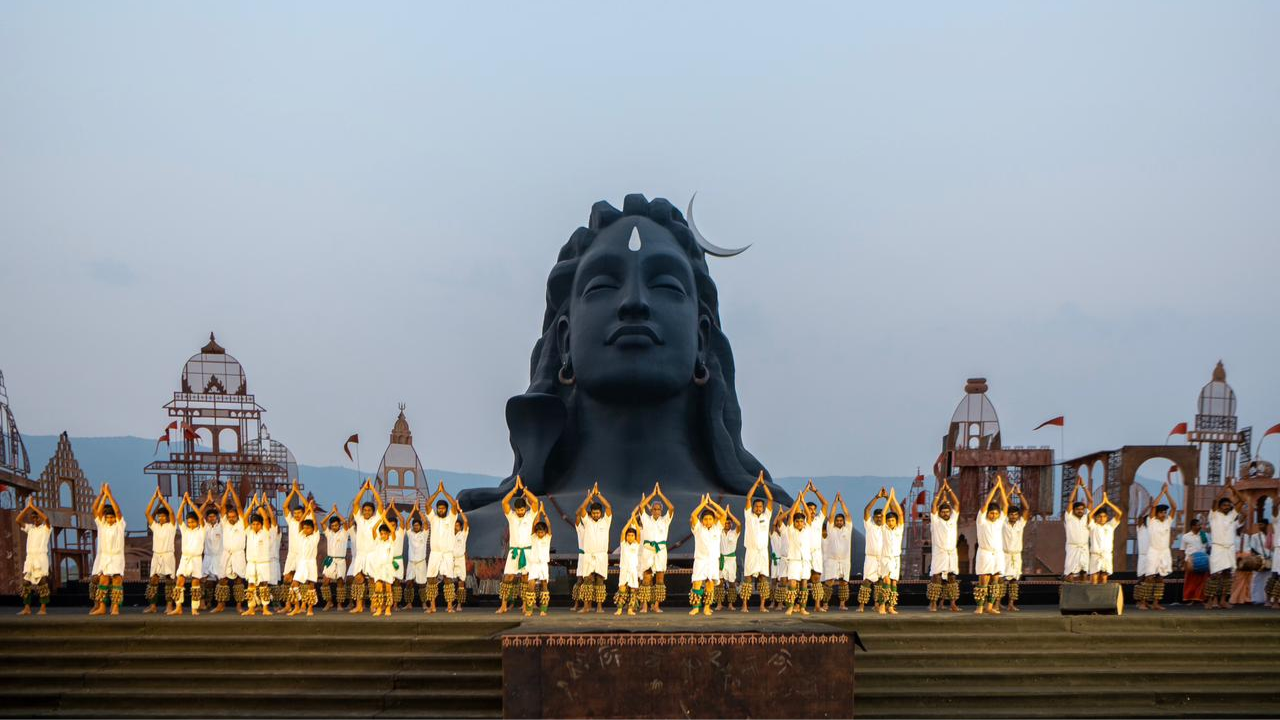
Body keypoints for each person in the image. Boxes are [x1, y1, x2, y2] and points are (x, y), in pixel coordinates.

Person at [497, 478, 540, 615]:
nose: (520, 512)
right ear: (515, 509)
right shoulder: (512, 516)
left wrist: (524, 490)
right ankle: (503, 605)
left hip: (527, 552)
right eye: (518, 510)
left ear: (525, 508)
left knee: (526, 579)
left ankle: (527, 606)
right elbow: (504, 502)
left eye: (522, 509)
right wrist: (515, 490)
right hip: (514, 552)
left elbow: (536, 502)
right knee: (508, 578)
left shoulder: (530, 516)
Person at [89, 483, 127, 616]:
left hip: (116, 556)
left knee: (117, 580)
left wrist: (110, 495)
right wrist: (102, 495)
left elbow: (117, 511)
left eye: (112, 517)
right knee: (103, 580)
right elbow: (95, 510)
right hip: (105, 557)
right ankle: (102, 607)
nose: (110, 519)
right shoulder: (102, 525)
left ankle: (115, 607)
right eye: (108, 517)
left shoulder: (120, 525)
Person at [575, 483, 613, 614]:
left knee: (600, 583)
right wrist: (590, 495)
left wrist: (599, 495)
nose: (596, 514)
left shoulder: (605, 521)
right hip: (588, 555)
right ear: (591, 513)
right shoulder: (587, 521)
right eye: (594, 513)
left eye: (598, 513)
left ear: (600, 513)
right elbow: (582, 509)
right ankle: (586, 607)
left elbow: (608, 507)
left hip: (601, 556)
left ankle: (599, 608)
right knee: (587, 582)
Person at [347, 479, 384, 614]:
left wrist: (372, 489)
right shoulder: (360, 519)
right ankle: (359, 606)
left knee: (373, 581)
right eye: (365, 510)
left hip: (373, 553)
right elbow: (356, 503)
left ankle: (374, 604)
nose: (366, 511)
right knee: (358, 578)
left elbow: (380, 503)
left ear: (373, 512)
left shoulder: (376, 519)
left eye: (369, 510)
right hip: (361, 554)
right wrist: (364, 489)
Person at [422, 483, 460, 613]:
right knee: (431, 579)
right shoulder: (433, 518)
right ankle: (432, 606)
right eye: (439, 508)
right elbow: (427, 505)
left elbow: (454, 505)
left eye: (443, 508)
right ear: (437, 509)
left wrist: (444, 492)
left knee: (448, 579)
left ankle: (449, 606)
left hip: (448, 553)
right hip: (435, 553)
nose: (441, 510)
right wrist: (437, 492)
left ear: (446, 509)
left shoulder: (451, 518)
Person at [973, 478, 1008, 615]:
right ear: (988, 513)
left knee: (995, 579)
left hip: (997, 554)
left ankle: (989, 606)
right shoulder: (982, 521)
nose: (993, 515)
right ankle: (979, 607)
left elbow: (1005, 506)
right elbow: (985, 504)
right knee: (984, 579)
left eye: (996, 513)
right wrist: (995, 488)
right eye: (991, 513)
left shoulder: (999, 521)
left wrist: (1002, 489)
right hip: (985, 553)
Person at [739, 473, 773, 613]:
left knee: (763, 579)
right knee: (747, 579)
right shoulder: (749, 516)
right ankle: (744, 606)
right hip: (751, 551)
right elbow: (748, 497)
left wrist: (763, 484)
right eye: (756, 506)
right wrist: (756, 484)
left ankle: (762, 606)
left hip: (763, 552)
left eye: (760, 506)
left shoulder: (766, 516)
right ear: (753, 508)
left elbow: (770, 499)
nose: (759, 508)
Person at [1206, 485, 1244, 610]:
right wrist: (1225, 488)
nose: (1227, 507)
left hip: (1229, 548)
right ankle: (1212, 600)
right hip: (1217, 548)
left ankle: (1223, 600)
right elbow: (1215, 500)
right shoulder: (1214, 515)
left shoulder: (1232, 515)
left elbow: (1242, 501)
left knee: (1227, 574)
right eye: (1224, 505)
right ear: (1220, 507)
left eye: (1228, 505)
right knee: (1215, 575)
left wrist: (1233, 489)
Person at [638, 482, 674, 613]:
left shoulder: (665, 520)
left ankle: (656, 606)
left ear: (661, 511)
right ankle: (645, 606)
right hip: (648, 549)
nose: (657, 511)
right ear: (651, 510)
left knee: (660, 578)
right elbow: (641, 506)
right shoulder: (646, 519)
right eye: (654, 509)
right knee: (647, 578)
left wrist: (661, 494)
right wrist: (653, 494)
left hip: (660, 550)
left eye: (659, 509)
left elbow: (672, 508)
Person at [169, 492, 207, 616]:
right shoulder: (185, 530)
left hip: (196, 559)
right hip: (185, 559)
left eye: (192, 522)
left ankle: (194, 608)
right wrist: (183, 503)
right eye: (189, 522)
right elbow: (179, 517)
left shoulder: (201, 530)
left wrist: (190, 503)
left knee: (195, 584)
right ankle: (178, 607)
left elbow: (201, 517)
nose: (190, 524)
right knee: (179, 582)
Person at [689, 494, 727, 617]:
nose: (708, 521)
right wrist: (703, 505)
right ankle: (695, 607)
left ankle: (707, 607)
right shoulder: (698, 528)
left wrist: (712, 503)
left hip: (712, 561)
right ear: (702, 520)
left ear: (713, 520)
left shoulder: (717, 528)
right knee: (697, 583)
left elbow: (724, 515)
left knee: (710, 584)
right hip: (700, 560)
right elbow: (693, 515)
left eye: (710, 519)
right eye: (705, 519)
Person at [1140, 485, 1177, 611]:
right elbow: (1154, 505)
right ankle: (1143, 603)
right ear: (1157, 513)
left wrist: (1168, 493)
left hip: (1164, 552)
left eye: (1165, 512)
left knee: (1160, 578)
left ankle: (1156, 603)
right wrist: (1162, 492)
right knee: (1149, 577)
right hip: (1153, 551)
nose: (1164, 514)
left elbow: (1175, 507)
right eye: (1161, 512)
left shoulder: (1167, 521)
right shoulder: (1152, 521)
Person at [927, 480, 960, 613]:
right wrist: (941, 491)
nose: (946, 513)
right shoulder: (936, 521)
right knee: (936, 578)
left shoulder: (952, 520)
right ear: (940, 513)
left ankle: (952, 604)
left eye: (947, 512)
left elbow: (957, 504)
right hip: (939, 553)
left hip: (951, 553)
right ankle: (933, 604)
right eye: (943, 512)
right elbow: (934, 505)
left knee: (952, 578)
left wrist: (950, 491)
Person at [15, 497, 52, 616]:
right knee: (26, 583)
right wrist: (28, 507)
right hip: (30, 558)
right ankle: (27, 608)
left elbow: (46, 519)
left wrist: (34, 507)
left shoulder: (46, 528)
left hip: (40, 558)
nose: (35, 519)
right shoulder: (30, 529)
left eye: (37, 517)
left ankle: (43, 608)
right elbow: (18, 520)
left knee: (42, 582)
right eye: (33, 517)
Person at [214, 486, 248, 614]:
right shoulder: (225, 523)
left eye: (233, 516)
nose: (231, 518)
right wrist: (226, 491)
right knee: (222, 579)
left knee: (239, 580)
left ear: (237, 517)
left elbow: (239, 507)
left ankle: (239, 606)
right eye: (230, 516)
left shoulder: (241, 523)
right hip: (226, 554)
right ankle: (220, 605)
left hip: (238, 554)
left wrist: (233, 491)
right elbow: (222, 507)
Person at [242, 494, 276, 616]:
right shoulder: (249, 532)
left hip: (263, 563)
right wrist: (251, 505)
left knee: (263, 585)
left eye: (257, 524)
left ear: (261, 525)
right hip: (251, 563)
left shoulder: (266, 532)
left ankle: (265, 608)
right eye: (253, 524)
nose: (255, 526)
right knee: (251, 585)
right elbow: (244, 518)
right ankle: (251, 608)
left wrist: (259, 505)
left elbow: (266, 519)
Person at [143, 490, 176, 615]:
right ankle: (153, 606)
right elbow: (147, 513)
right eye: (159, 516)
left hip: (168, 555)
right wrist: (154, 498)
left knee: (169, 580)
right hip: (156, 555)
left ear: (166, 517)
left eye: (163, 516)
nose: (160, 518)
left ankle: (169, 606)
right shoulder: (156, 526)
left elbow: (172, 512)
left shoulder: (171, 526)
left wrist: (162, 500)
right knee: (153, 580)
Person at [781, 494, 813, 616]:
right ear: (794, 523)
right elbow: (790, 516)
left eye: (801, 521)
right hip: (794, 560)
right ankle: (790, 607)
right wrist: (796, 503)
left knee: (804, 583)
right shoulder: (791, 530)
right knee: (792, 583)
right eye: (797, 521)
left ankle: (803, 607)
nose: (799, 523)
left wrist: (803, 501)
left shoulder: (807, 529)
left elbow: (809, 516)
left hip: (805, 560)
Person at [800, 481, 830, 611]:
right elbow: (798, 504)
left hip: (817, 553)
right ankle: (801, 606)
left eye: (813, 510)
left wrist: (815, 490)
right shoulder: (801, 521)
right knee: (805, 580)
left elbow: (825, 504)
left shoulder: (818, 520)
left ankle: (817, 606)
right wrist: (805, 492)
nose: (811, 511)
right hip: (805, 553)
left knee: (817, 579)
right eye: (809, 509)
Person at [821, 494, 853, 611]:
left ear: (843, 522)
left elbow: (848, 515)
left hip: (844, 560)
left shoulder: (847, 529)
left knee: (844, 583)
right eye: (837, 520)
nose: (839, 522)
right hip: (832, 560)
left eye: (841, 520)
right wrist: (835, 503)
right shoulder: (831, 529)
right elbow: (831, 516)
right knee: (829, 582)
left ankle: (842, 604)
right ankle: (825, 604)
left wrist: (842, 502)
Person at [279, 481, 308, 614]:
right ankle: (288, 604)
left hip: (302, 555)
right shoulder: (291, 521)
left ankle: (302, 605)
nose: (296, 515)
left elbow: (307, 506)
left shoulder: (306, 523)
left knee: (301, 581)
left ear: (303, 514)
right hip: (292, 554)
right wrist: (292, 492)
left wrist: (298, 492)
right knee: (287, 579)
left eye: (299, 513)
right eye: (295, 513)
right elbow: (285, 506)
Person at [288, 501, 321, 616]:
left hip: (311, 563)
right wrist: (306, 510)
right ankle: (297, 607)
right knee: (294, 585)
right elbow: (300, 522)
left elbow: (316, 524)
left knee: (311, 586)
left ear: (312, 529)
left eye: (308, 528)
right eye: (304, 528)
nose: (306, 530)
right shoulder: (301, 536)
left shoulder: (315, 537)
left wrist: (311, 510)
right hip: (301, 563)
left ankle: (310, 608)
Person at [858, 490, 888, 613]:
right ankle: (861, 606)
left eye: (882, 516)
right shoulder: (869, 525)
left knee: (881, 582)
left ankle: (878, 604)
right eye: (877, 517)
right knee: (866, 581)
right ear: (874, 518)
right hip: (870, 558)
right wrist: (877, 497)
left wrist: (887, 498)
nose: (879, 518)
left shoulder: (886, 526)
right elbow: (866, 510)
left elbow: (894, 512)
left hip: (883, 557)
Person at [366, 507, 399, 618]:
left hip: (388, 567)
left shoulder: (391, 541)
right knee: (378, 588)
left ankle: (388, 608)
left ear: (388, 534)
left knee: (388, 588)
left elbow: (393, 530)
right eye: (381, 533)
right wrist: (381, 519)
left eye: (385, 533)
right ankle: (379, 608)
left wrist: (385, 519)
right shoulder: (378, 541)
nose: (382, 535)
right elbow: (373, 530)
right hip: (379, 567)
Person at [1002, 486, 1028, 612]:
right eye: (1011, 514)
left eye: (1015, 514)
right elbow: (1004, 505)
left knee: (1013, 581)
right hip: (1004, 555)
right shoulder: (1003, 523)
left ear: (1018, 515)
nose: (1013, 516)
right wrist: (1007, 495)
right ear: (1008, 515)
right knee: (1001, 580)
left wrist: (1019, 494)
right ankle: (997, 603)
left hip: (1016, 555)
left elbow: (1027, 508)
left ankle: (1011, 604)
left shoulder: (1020, 523)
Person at [1063, 478, 1093, 584]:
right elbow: (1070, 501)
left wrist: (1084, 486)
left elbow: (1090, 501)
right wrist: (1076, 487)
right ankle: (1068, 594)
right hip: (1072, 547)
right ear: (1074, 510)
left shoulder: (1086, 517)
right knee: (1069, 573)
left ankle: (1082, 595)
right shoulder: (1069, 517)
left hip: (1084, 547)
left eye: (1082, 509)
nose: (1080, 511)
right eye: (1078, 509)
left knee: (1084, 572)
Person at [1089, 492, 1123, 585]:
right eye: (1099, 516)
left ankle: (1102, 599)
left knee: (1104, 579)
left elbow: (1119, 513)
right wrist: (1101, 503)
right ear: (1096, 518)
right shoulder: (1093, 526)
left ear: (1107, 517)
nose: (1102, 518)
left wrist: (1107, 502)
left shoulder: (1110, 526)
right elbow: (1089, 516)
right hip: (1095, 555)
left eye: (1104, 516)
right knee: (1094, 580)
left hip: (1106, 555)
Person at [320, 506, 349, 611]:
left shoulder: (344, 533)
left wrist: (337, 512)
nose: (334, 527)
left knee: (340, 582)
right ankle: (329, 602)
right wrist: (331, 513)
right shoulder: (329, 533)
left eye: (336, 525)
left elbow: (345, 523)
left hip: (341, 560)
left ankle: (340, 605)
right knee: (325, 582)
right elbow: (322, 523)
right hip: (330, 560)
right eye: (332, 526)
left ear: (339, 525)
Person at [881, 489, 905, 615]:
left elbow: (900, 514)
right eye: (889, 521)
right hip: (885, 557)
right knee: (886, 581)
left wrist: (893, 498)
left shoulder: (899, 529)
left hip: (895, 558)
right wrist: (888, 500)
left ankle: (891, 606)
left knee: (894, 582)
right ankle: (882, 605)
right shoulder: (884, 529)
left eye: (892, 521)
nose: (890, 522)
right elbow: (884, 514)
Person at [199, 493, 223, 612]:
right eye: (210, 517)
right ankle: (205, 603)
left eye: (214, 516)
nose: (211, 518)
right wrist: (206, 503)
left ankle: (220, 605)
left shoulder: (221, 526)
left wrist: (213, 503)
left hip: (219, 557)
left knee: (220, 581)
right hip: (208, 557)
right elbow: (199, 514)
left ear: (217, 517)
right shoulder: (205, 526)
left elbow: (223, 512)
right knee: (205, 581)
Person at [615, 514, 643, 616]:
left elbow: (639, 532)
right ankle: (619, 609)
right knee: (622, 589)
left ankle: (630, 609)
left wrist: (634, 520)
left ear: (634, 537)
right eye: (628, 535)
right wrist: (630, 521)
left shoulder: (636, 544)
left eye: (632, 535)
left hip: (633, 569)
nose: (630, 537)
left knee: (633, 590)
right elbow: (623, 532)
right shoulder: (623, 544)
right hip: (624, 569)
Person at [403, 503, 429, 610]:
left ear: (420, 526)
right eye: (415, 525)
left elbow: (426, 522)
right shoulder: (410, 534)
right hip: (411, 562)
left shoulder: (424, 534)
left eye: (418, 525)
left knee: (422, 584)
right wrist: (413, 511)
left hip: (421, 562)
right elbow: (407, 522)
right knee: (409, 583)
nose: (415, 527)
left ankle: (424, 604)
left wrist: (419, 511)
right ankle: (409, 604)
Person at [1179, 517, 1210, 604]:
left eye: (1200, 525)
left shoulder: (1204, 535)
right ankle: (1191, 599)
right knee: (1191, 582)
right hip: (1191, 562)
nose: (1200, 526)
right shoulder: (1186, 536)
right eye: (1198, 525)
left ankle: (1200, 599)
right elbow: (1182, 550)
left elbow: (1209, 547)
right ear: (1192, 526)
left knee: (1203, 581)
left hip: (1203, 562)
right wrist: (1183, 562)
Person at [528, 511, 553, 616]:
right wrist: (538, 513)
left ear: (545, 532)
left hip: (543, 564)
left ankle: (543, 609)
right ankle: (529, 609)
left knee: (544, 585)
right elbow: (534, 524)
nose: (540, 534)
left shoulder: (547, 538)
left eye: (542, 532)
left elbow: (549, 525)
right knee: (531, 585)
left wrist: (545, 514)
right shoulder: (533, 537)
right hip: (534, 564)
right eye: (538, 532)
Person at [715, 507, 741, 611]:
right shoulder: (718, 532)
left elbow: (739, 524)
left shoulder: (734, 533)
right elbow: (717, 520)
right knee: (719, 582)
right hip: (721, 559)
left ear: (731, 524)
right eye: (725, 523)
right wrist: (722, 514)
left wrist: (729, 513)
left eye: (729, 523)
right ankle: (719, 604)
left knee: (732, 582)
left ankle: (731, 604)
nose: (727, 525)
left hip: (731, 560)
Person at [448, 513, 470, 610]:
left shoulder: (463, 534)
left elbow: (466, 521)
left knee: (461, 582)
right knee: (450, 583)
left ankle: (459, 605)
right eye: (454, 525)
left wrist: (460, 510)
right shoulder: (449, 536)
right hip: (451, 559)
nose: (456, 527)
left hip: (460, 559)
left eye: (457, 525)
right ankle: (450, 604)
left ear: (460, 527)